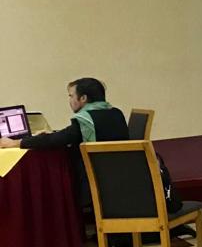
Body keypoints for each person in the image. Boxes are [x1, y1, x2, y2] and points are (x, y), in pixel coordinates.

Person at [0, 78, 129, 206]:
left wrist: (16, 143)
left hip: (95, 185)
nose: (70, 100)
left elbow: (56, 140)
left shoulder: (86, 120)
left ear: (83, 98)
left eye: (71, 96)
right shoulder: (116, 113)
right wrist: (52, 134)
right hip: (122, 179)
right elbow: (69, 135)